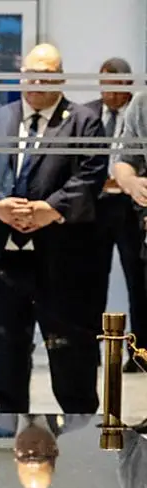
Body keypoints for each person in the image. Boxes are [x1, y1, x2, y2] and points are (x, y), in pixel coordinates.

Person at [0, 44, 107, 413]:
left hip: (62, 264)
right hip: (5, 263)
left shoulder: (84, 121)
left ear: (61, 79)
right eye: (30, 75)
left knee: (72, 369)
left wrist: (50, 209)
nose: (35, 83)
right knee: (7, 365)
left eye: (45, 76)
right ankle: (12, 433)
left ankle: (79, 439)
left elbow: (91, 175)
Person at [86, 58, 147, 373]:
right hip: (97, 207)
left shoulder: (137, 108)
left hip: (129, 211)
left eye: (115, 84)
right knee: (92, 281)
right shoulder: (90, 113)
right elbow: (121, 161)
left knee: (137, 283)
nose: (108, 91)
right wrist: (126, 179)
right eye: (104, 84)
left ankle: (139, 352)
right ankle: (92, 350)